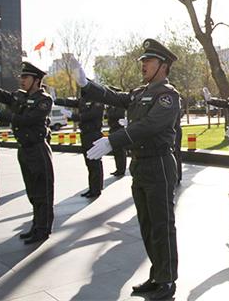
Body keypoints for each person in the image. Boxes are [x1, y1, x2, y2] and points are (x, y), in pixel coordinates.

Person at [70, 39, 180, 300]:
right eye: (142, 61)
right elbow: (113, 96)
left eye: (148, 61)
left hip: (159, 164)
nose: (143, 64)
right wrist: (87, 85)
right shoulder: (139, 93)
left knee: (162, 225)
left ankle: (167, 280)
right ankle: (156, 275)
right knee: (146, 224)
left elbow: (149, 126)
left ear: (162, 66)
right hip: (140, 164)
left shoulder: (168, 95)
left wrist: (112, 140)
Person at [0, 62, 54, 244]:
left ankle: (43, 229)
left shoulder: (44, 100)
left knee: (42, 192)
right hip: (25, 150)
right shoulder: (20, 97)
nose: (21, 80)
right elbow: (3, 95)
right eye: (21, 77)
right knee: (32, 191)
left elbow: (28, 120)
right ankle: (35, 225)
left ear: (36, 80)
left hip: (38, 149)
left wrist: (3, 116)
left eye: (25, 77)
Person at [55, 91, 104, 197]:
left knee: (94, 163)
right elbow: (71, 102)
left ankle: (96, 189)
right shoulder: (83, 100)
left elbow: (90, 115)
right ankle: (92, 187)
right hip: (85, 135)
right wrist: (55, 100)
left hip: (94, 134)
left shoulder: (97, 101)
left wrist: (73, 116)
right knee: (89, 163)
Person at [104, 85, 128, 177]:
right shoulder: (110, 106)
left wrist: (110, 113)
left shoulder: (120, 104)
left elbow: (117, 114)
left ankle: (121, 169)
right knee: (116, 151)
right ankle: (118, 168)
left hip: (119, 128)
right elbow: (108, 115)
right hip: (112, 129)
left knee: (121, 151)